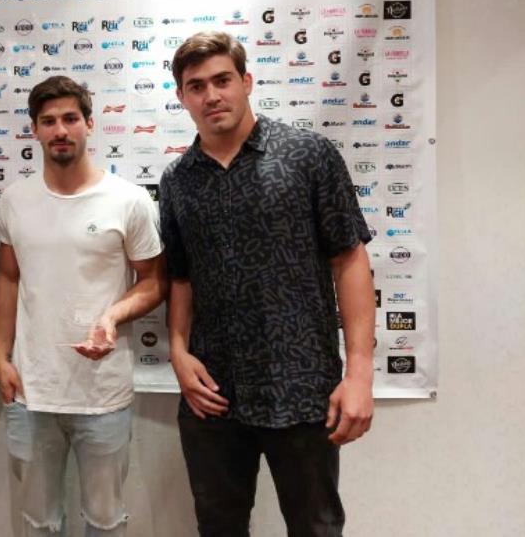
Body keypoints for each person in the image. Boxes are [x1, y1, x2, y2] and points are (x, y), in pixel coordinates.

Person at [159, 31, 376, 536]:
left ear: (247, 82)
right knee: (219, 528)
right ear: (182, 97)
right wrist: (177, 351)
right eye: (197, 86)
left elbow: (350, 259)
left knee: (316, 528)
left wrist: (360, 375)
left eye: (222, 80)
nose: (212, 95)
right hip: (212, 392)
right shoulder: (177, 180)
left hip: (301, 386)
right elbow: (181, 277)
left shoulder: (308, 155)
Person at [0, 75, 165, 537]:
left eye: (70, 118)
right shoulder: (15, 200)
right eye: (48, 121)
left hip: (103, 393)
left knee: (105, 521)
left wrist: (112, 315)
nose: (60, 130)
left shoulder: (129, 200)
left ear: (90, 123)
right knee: (39, 522)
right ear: (34, 130)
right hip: (31, 390)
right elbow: (8, 278)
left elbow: (153, 282)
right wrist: (0, 356)